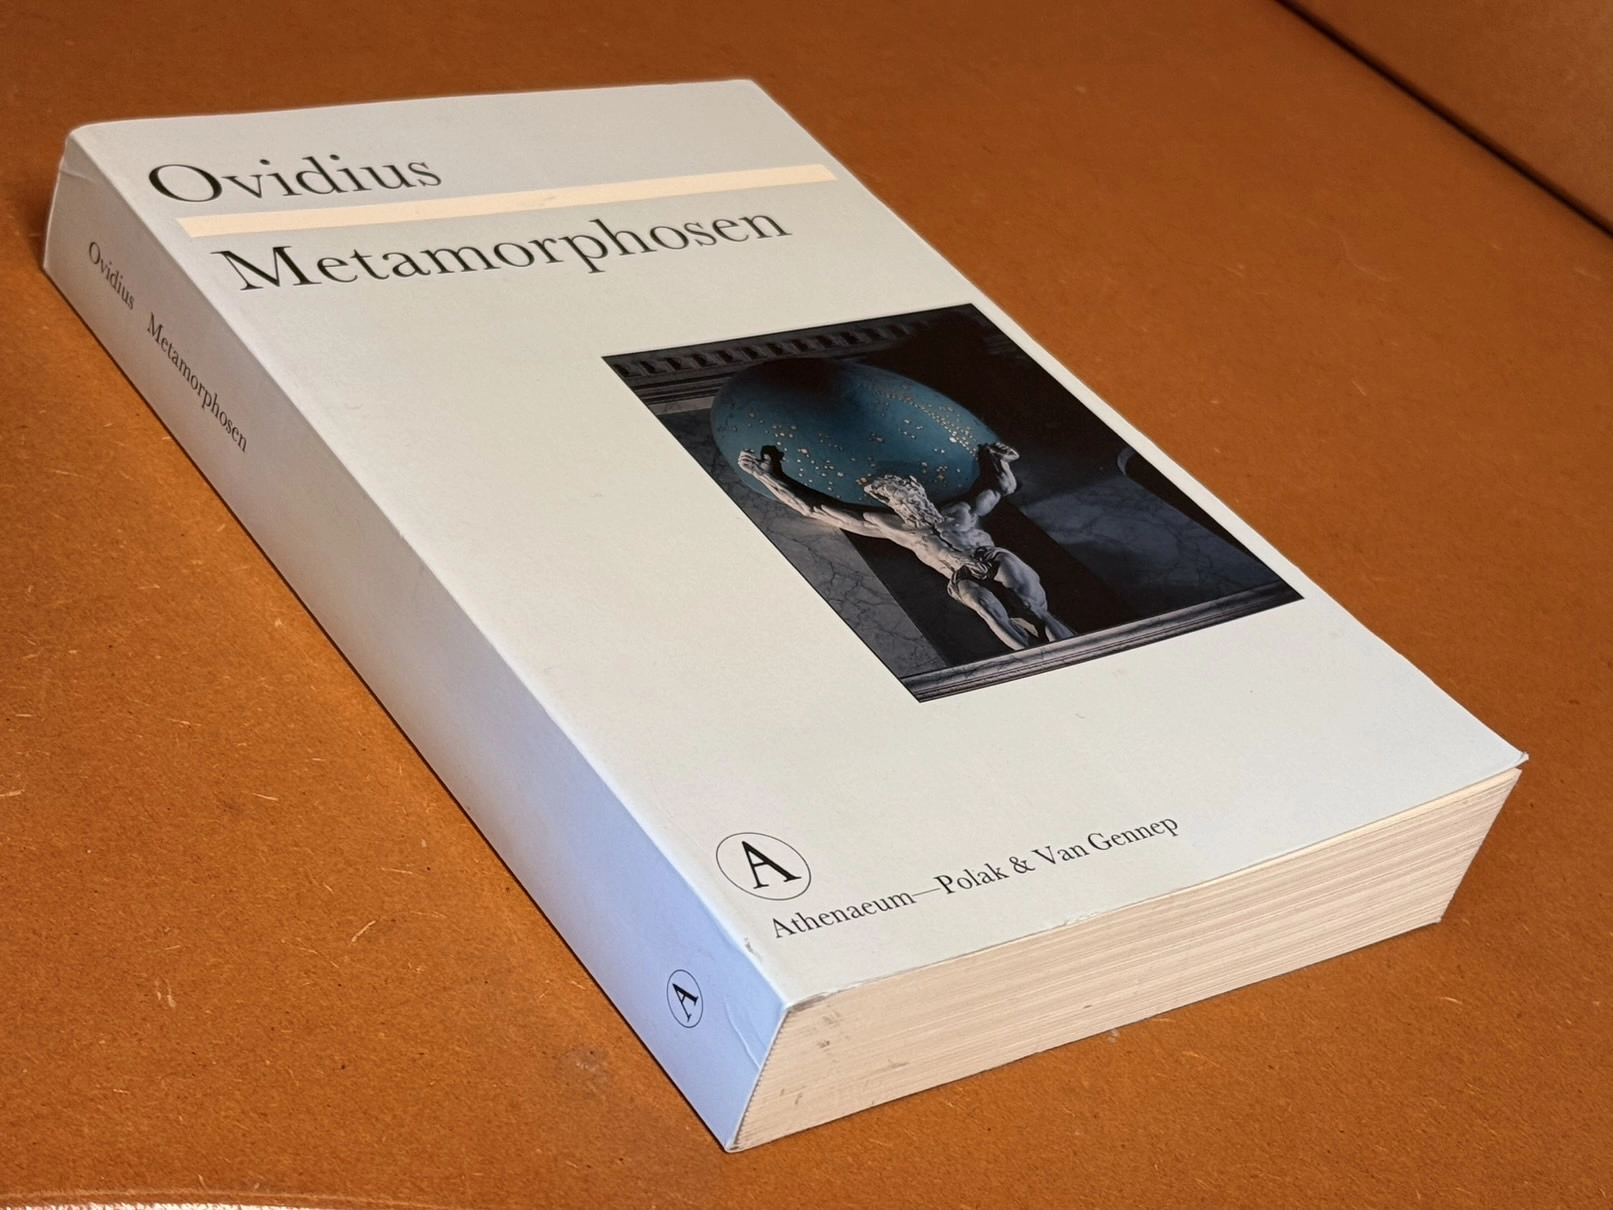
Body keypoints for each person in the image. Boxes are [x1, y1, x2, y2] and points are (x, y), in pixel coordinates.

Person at [738, 441, 1076, 651]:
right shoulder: (892, 527)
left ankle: (1070, 647)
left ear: (918, 489)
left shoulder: (959, 512)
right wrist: (768, 477)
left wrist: (1000, 460)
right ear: (891, 504)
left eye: (909, 493)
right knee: (984, 606)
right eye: (898, 498)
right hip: (960, 574)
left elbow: (999, 489)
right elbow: (816, 510)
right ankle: (1032, 656)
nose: (907, 501)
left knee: (1031, 609)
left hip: (991, 558)